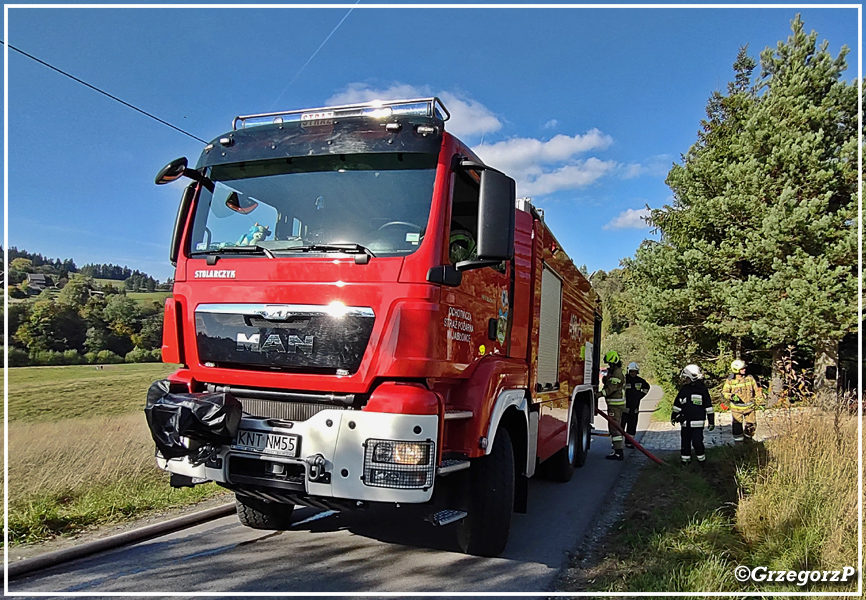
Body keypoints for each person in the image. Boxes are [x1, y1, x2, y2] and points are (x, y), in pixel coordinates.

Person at [671, 364, 715, 465]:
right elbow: (677, 404)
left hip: (698, 423)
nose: (685, 379)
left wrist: (711, 421)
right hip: (685, 422)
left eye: (686, 377)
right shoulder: (684, 389)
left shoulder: (702, 389)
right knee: (685, 443)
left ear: (692, 377)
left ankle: (702, 461)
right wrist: (674, 416)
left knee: (697, 442)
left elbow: (708, 406)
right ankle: (685, 461)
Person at [722, 359, 762, 442]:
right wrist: (731, 396)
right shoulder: (730, 381)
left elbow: (757, 391)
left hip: (750, 409)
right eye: (742, 369)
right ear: (736, 370)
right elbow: (724, 392)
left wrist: (760, 401)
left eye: (744, 368)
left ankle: (748, 442)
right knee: (737, 427)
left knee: (751, 427)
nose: (744, 370)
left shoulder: (750, 378)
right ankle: (738, 445)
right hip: (737, 409)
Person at [601, 350, 626, 460]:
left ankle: (618, 452)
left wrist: (596, 395)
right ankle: (617, 450)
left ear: (614, 363)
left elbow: (610, 389)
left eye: (610, 364)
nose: (609, 366)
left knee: (615, 428)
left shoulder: (617, 373)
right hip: (614, 405)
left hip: (615, 406)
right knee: (614, 427)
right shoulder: (615, 372)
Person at [622, 362, 650, 448]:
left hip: (634, 409)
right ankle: (616, 444)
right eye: (631, 371)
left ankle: (629, 443)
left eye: (635, 371)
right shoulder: (624, 380)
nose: (633, 373)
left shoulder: (640, 381)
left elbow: (647, 387)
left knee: (632, 427)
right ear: (628, 371)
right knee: (620, 426)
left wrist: (640, 396)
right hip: (624, 408)